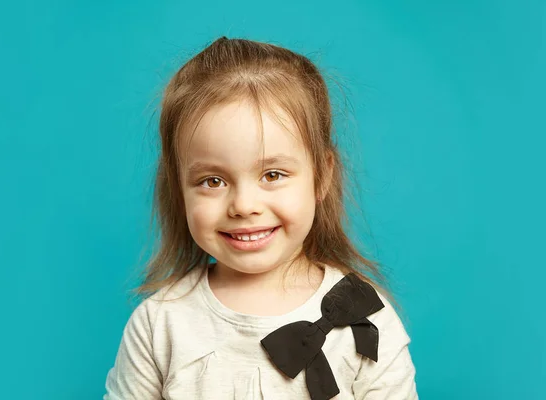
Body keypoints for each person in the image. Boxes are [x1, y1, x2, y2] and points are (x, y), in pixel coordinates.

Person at [103, 36, 418, 400]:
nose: (243, 205)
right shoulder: (160, 325)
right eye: (213, 181)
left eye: (272, 175)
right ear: (179, 188)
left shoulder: (365, 316)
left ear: (322, 175)